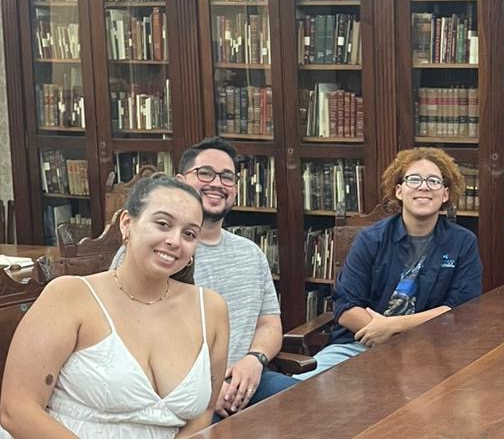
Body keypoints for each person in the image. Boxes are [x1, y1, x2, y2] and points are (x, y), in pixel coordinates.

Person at [0, 173, 228, 439]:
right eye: (163, 224)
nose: (175, 240)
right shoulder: (70, 296)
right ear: (127, 224)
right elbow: (17, 412)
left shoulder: (211, 309)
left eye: (189, 234)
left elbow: (204, 412)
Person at [113, 138, 289, 414]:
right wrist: (200, 390)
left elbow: (269, 323)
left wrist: (255, 360)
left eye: (227, 177)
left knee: (314, 407)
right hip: (178, 391)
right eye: (205, 173)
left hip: (249, 381)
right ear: (181, 181)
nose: (217, 183)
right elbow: (129, 339)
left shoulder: (251, 253)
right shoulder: (157, 253)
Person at [305, 146, 483, 376]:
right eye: (414, 179)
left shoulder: (462, 243)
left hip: (432, 351)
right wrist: (381, 335)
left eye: (433, 181)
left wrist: (392, 327)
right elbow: (346, 307)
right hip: (361, 344)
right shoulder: (370, 239)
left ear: (445, 194)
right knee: (302, 388)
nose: (424, 187)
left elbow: (461, 310)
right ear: (399, 190)